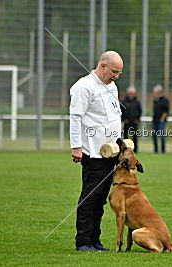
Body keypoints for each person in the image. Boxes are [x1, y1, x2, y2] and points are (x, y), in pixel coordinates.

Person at [69, 51, 123, 252]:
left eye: (119, 73)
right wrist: (76, 146)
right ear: (102, 66)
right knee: (90, 197)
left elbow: (112, 115)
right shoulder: (83, 87)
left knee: (100, 200)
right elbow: (75, 117)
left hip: (111, 152)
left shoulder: (112, 86)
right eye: (114, 71)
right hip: (93, 152)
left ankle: (95, 241)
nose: (116, 76)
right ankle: (83, 241)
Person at [121, 87, 142, 153]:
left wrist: (137, 119)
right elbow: (121, 111)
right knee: (126, 137)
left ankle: (135, 150)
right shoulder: (124, 101)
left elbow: (140, 111)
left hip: (134, 122)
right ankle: (125, 150)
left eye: (132, 93)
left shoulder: (137, 102)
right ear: (127, 93)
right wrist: (124, 119)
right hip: (127, 122)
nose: (131, 94)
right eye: (130, 93)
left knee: (135, 137)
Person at [152, 84, 169, 153]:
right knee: (154, 136)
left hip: (162, 121)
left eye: (155, 92)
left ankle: (163, 151)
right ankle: (156, 150)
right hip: (155, 120)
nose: (154, 94)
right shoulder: (155, 100)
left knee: (162, 136)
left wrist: (162, 119)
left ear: (158, 92)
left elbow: (166, 111)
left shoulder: (165, 100)